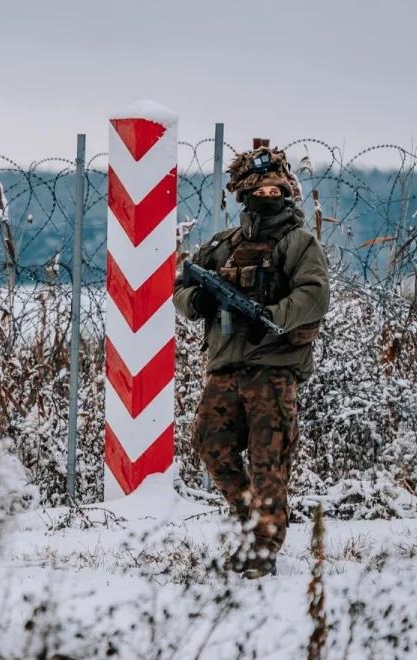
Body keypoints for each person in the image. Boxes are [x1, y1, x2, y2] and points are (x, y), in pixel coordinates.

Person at [173, 146, 330, 578]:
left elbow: (314, 294)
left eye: (274, 187)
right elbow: (181, 288)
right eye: (258, 188)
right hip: (225, 366)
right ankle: (248, 521)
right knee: (210, 443)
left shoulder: (299, 243)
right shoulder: (223, 245)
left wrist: (272, 319)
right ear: (244, 193)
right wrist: (198, 300)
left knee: (268, 459)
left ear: (286, 191)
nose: (267, 194)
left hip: (273, 368)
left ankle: (263, 546)